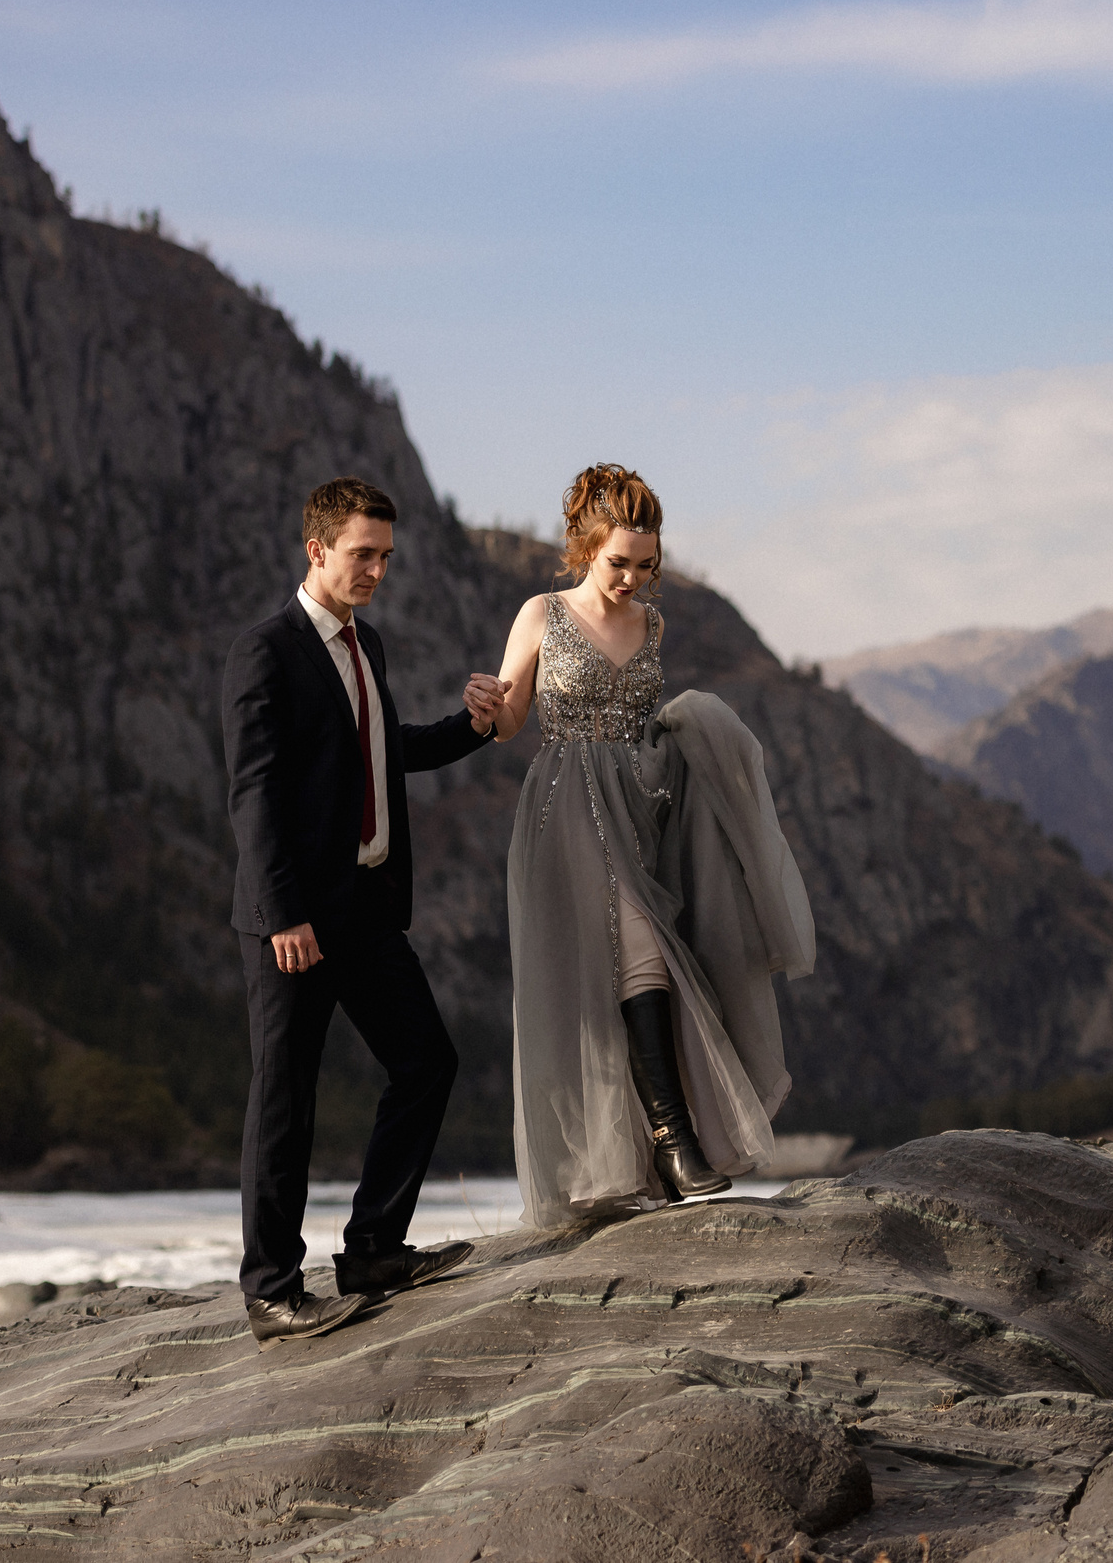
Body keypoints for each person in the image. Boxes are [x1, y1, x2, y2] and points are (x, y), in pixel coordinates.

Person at [475, 464, 814, 1226]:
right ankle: (673, 1137)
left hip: (644, 805)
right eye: (619, 562)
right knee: (642, 950)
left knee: (645, 963)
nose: (632, 579)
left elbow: (643, 719)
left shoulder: (652, 626)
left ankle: (651, 1152)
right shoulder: (541, 614)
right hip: (567, 805)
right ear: (584, 547)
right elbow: (511, 722)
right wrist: (487, 705)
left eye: (646, 565)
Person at [221, 476, 506, 1344]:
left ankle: (374, 1248)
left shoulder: (364, 645)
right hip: (294, 922)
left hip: (367, 911)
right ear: (317, 549)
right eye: (362, 553)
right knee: (285, 1099)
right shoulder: (264, 651)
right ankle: (271, 1289)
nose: (376, 569)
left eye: (385, 555)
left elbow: (385, 751)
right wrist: (283, 915)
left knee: (427, 1062)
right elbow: (254, 795)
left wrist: (471, 727)